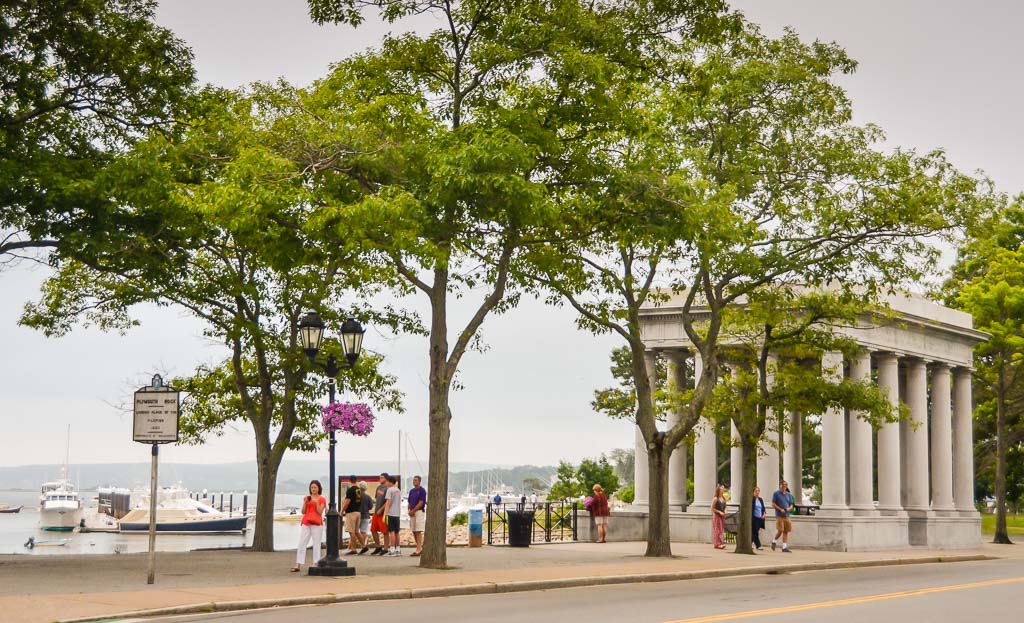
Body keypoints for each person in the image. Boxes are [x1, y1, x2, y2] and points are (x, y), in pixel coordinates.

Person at [292, 480, 326, 572]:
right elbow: (303, 511)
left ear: (319, 488)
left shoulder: (322, 499)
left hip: (317, 523)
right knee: (302, 542)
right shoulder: (306, 498)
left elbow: (320, 512)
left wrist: (316, 502)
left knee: (316, 543)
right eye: (312, 487)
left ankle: (316, 562)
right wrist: (305, 502)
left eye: (315, 487)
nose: (313, 489)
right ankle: (298, 564)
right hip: (307, 522)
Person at [381, 474, 402, 556]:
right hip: (397, 514)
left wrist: (384, 515)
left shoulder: (389, 490)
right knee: (397, 532)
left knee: (391, 531)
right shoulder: (398, 490)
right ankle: (398, 549)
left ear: (390, 482)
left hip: (390, 514)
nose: (386, 483)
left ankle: (392, 549)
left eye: (387, 482)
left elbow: (388, 503)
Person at [771, 480, 795, 553]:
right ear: (780, 486)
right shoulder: (776, 494)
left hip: (787, 515)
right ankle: (774, 541)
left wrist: (788, 509)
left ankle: (784, 547)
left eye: (785, 485)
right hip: (779, 515)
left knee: (786, 531)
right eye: (783, 485)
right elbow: (773, 504)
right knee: (780, 530)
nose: (784, 486)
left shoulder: (788, 495)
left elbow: (791, 505)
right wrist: (780, 509)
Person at [342, 475, 363, 555]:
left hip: (351, 512)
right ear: (356, 480)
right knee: (357, 531)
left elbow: (347, 501)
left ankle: (353, 549)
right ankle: (364, 546)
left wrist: (342, 511)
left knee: (351, 531)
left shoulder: (350, 490)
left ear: (349, 481)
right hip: (358, 512)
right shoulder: (358, 490)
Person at [370, 472, 389, 556]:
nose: (380, 479)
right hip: (376, 512)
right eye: (380, 477)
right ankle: (378, 546)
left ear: (385, 479)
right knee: (373, 530)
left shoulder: (387, 488)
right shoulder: (378, 487)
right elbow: (377, 499)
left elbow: (388, 501)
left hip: (383, 513)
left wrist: (382, 509)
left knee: (385, 531)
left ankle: (386, 548)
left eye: (382, 478)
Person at [407, 475, 426, 557]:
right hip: (412, 512)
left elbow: (421, 502)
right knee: (413, 530)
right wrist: (409, 510)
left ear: (419, 481)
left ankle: (418, 549)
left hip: (418, 511)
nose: (414, 482)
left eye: (416, 480)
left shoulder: (422, 491)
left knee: (418, 530)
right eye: (413, 480)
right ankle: (419, 547)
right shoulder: (412, 491)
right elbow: (409, 501)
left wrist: (414, 510)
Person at [357, 481, 372, 554]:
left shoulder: (357, 496)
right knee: (364, 531)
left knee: (356, 531)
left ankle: (362, 546)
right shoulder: (368, 497)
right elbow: (371, 506)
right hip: (366, 515)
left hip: (358, 515)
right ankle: (363, 545)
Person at [711, 484, 728, 549]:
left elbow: (725, 506)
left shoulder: (723, 498)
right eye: (721, 489)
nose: (723, 490)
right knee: (717, 530)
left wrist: (725, 511)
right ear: (719, 490)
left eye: (723, 489)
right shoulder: (715, 498)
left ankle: (720, 543)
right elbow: (712, 508)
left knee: (721, 530)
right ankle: (717, 544)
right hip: (717, 516)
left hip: (722, 516)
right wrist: (719, 512)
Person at [752, 486, 766, 551]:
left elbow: (763, 508)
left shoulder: (760, 499)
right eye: (756, 491)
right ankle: (758, 545)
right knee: (755, 532)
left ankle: (750, 543)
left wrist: (764, 514)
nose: (757, 492)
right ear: (753, 492)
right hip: (754, 518)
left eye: (758, 491)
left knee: (755, 531)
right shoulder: (752, 499)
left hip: (760, 518)